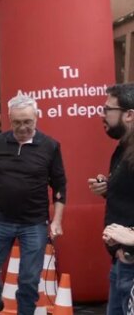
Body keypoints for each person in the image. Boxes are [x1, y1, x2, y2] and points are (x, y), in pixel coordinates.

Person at [0, 95, 66, 315]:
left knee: (28, 279)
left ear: (36, 118)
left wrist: (57, 221)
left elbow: (60, 186)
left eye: (27, 122)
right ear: (9, 119)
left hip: (34, 223)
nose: (22, 127)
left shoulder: (50, 146)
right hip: (0, 218)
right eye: (17, 122)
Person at [91, 84, 134, 314]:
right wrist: (108, 188)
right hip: (122, 261)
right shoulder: (123, 148)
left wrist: (132, 235)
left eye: (108, 109)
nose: (102, 114)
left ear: (129, 114)